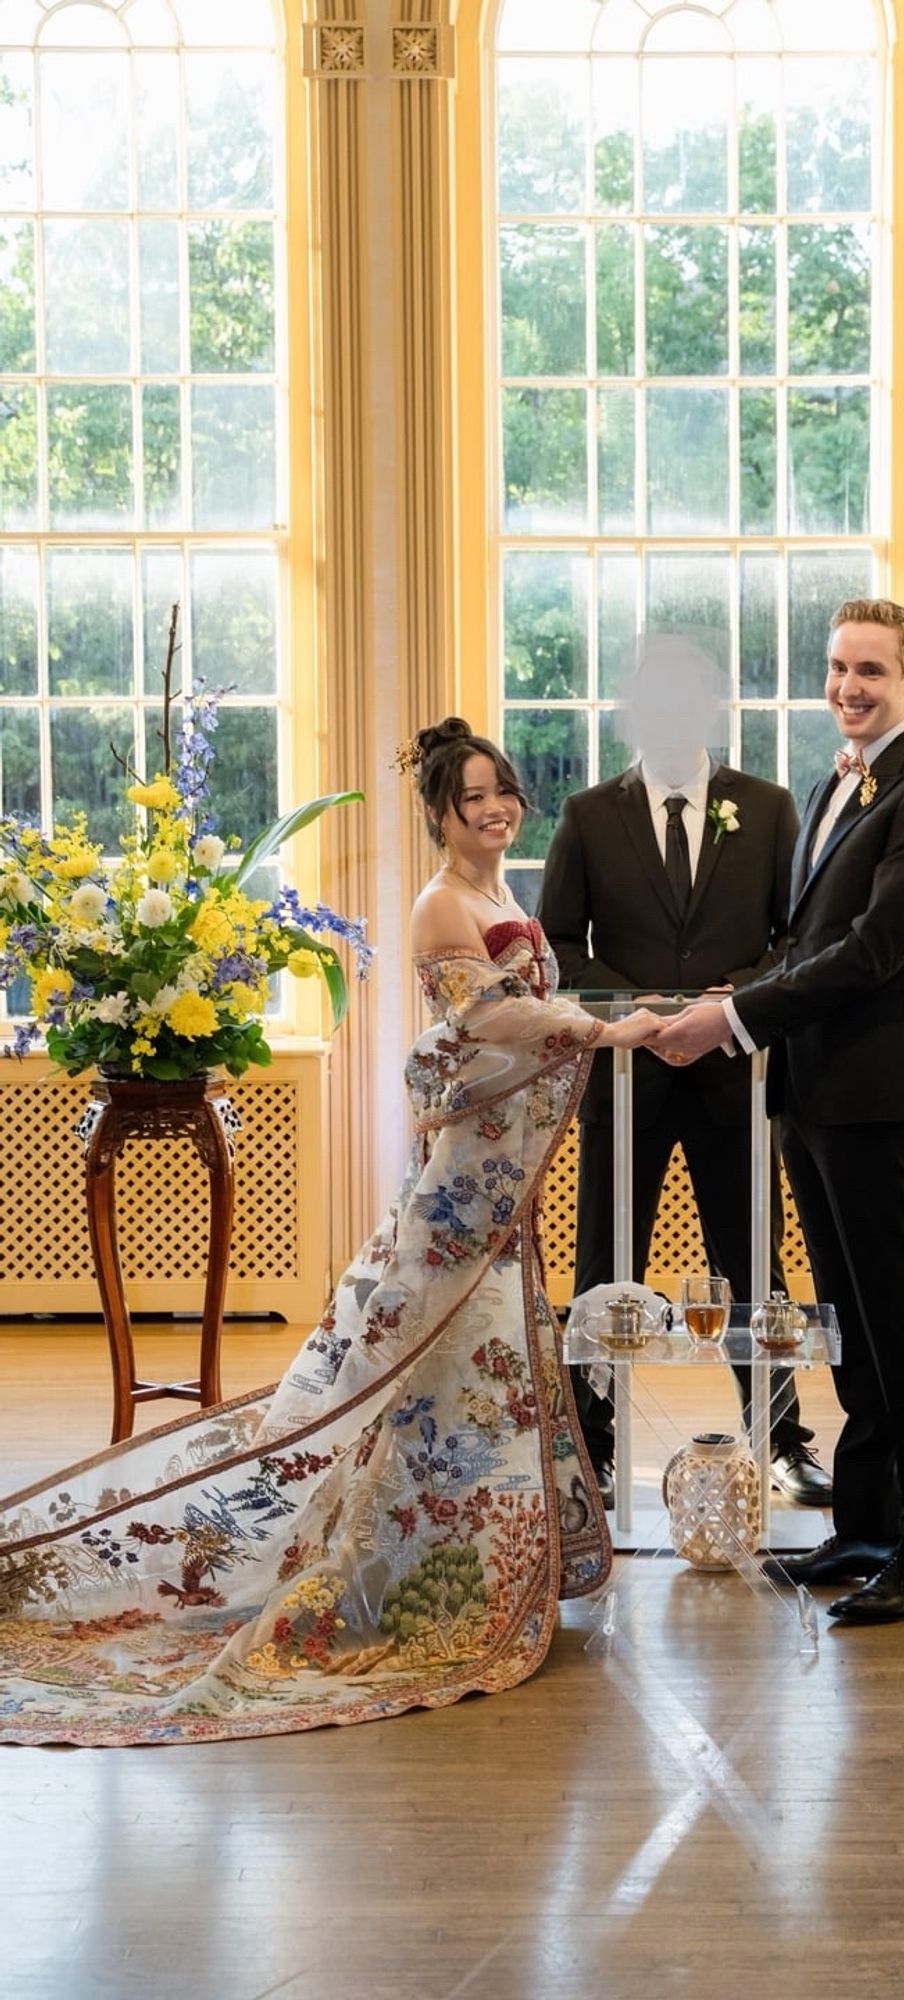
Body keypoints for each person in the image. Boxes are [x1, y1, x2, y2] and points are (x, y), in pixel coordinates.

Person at [0, 719, 660, 1745]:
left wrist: (598, 1011)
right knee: (431, 1358)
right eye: (470, 797)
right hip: (464, 1177)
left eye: (502, 792)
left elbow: (516, 1005)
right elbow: (486, 1020)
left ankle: (462, 1561)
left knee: (469, 1368)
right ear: (438, 812)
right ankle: (382, 1577)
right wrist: (593, 1025)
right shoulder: (441, 902)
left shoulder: (498, 894)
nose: (492, 809)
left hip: (501, 1171)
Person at [653, 599, 904, 1624]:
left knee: (900, 1321)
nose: (848, 686)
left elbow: (876, 950)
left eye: (870, 670)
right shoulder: (838, 779)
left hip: (874, 1088)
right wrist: (720, 1003)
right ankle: (869, 1526)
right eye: (838, 667)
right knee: (847, 1324)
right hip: (809, 1084)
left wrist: (732, 1016)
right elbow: (804, 944)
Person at [538, 639, 832, 1507]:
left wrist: (728, 1004)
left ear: (711, 706)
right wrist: (640, 1017)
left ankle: (779, 1441)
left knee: (753, 1260)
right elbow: (556, 942)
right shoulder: (590, 814)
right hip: (624, 1083)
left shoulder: (770, 808)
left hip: (732, 1073)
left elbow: (796, 941)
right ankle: (588, 1449)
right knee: (602, 1266)